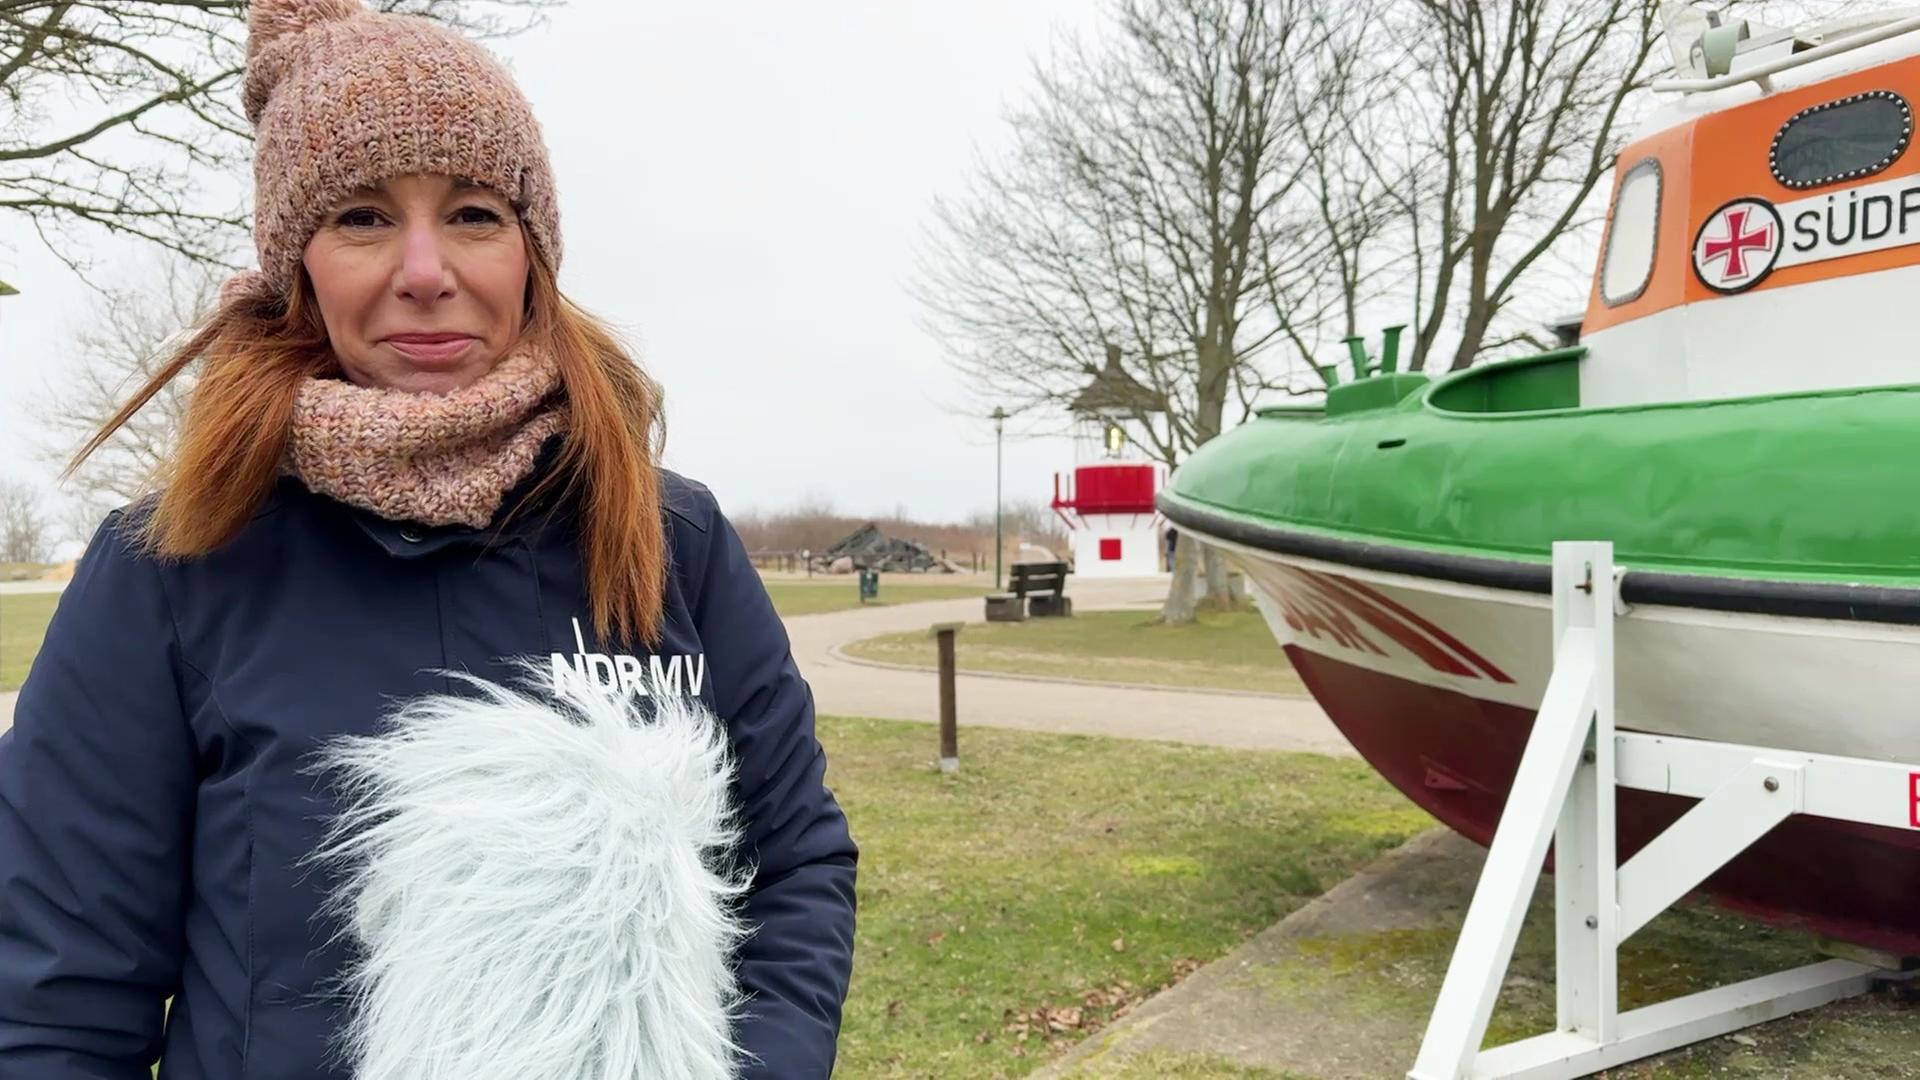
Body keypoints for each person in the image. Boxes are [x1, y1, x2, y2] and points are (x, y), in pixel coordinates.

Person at [0, 1, 857, 1077]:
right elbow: (59, 1002)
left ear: (531, 251)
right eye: (362, 216)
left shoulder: (669, 536)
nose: (423, 269)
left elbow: (795, 866)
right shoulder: (169, 568)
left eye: (473, 214)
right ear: (295, 260)